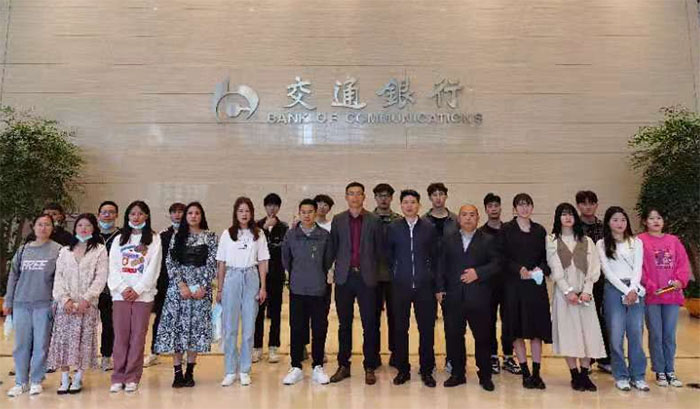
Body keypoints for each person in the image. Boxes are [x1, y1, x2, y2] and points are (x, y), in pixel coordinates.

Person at [154, 202, 218, 388]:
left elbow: (213, 263)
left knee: (194, 331)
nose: (193, 216)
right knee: (177, 331)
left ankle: (190, 371)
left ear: (202, 216)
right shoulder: (177, 236)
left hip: (200, 291)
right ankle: (177, 373)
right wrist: (181, 285)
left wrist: (203, 286)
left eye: (197, 213)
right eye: (190, 213)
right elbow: (170, 262)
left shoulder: (210, 237)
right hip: (178, 291)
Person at [438, 204, 500, 391]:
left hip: (479, 297)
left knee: (483, 337)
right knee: (454, 336)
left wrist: (478, 273)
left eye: (472, 215)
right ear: (458, 219)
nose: (468, 218)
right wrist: (439, 289)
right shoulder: (448, 240)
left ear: (478, 218)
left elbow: (497, 264)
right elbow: (440, 266)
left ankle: (485, 375)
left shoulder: (488, 240)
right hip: (453, 297)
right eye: (464, 215)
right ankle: (458, 374)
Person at [546, 203, 606, 392]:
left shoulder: (586, 241)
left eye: (571, 214)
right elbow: (555, 269)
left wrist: (587, 290)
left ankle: (584, 374)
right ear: (558, 218)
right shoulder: (552, 240)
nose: (567, 217)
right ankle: (574, 374)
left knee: (589, 335)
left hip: (586, 296)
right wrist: (568, 291)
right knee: (569, 335)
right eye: (563, 214)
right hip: (564, 296)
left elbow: (594, 268)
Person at [329, 182, 384, 385]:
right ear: (346, 197)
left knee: (370, 324)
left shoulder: (374, 220)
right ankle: (343, 365)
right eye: (351, 194)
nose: (354, 197)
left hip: (366, 278)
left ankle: (370, 366)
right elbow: (333, 247)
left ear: (364, 197)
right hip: (344, 278)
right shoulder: (338, 220)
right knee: (344, 324)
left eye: (358, 194)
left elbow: (380, 250)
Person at [47, 213, 109, 394]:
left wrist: (86, 299)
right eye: (80, 225)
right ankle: (64, 377)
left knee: (83, 342)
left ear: (94, 228)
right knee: (64, 342)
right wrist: (64, 299)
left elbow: (100, 278)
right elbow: (58, 278)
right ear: (75, 228)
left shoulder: (99, 250)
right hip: (65, 306)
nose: (84, 228)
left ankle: (78, 377)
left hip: (86, 306)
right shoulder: (65, 251)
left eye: (88, 225)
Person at [4, 214, 62, 397]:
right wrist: (8, 301)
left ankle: (36, 380)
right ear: (34, 227)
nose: (43, 228)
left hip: (44, 305)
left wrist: (57, 303)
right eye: (40, 224)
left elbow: (60, 279)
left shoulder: (58, 250)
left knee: (41, 344)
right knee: (21, 345)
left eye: (47, 225)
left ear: (52, 228)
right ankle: (21, 381)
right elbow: (13, 276)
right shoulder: (23, 250)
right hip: (21, 304)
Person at [107, 200, 162, 393]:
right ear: (127, 216)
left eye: (140, 213)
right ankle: (118, 376)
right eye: (132, 214)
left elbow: (154, 267)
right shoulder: (119, 239)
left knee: (138, 337)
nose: (136, 217)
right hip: (120, 295)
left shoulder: (154, 239)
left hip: (143, 296)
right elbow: (113, 266)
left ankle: (132, 377)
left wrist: (138, 289)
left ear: (146, 216)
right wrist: (122, 288)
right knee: (121, 337)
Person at [386, 189, 438, 387]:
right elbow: (387, 255)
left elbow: (436, 256)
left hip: (425, 287)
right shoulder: (393, 228)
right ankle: (403, 370)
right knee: (400, 329)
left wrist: (432, 279)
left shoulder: (429, 227)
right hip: (400, 287)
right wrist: (396, 274)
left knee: (427, 329)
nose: (409, 205)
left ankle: (426, 370)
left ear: (419, 205)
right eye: (406, 202)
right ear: (401, 205)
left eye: (413, 202)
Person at [500, 193, 551, 390]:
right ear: (514, 209)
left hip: (535, 286)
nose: (524, 208)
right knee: (517, 330)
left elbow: (547, 258)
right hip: (514, 286)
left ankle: (537, 373)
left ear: (532, 207)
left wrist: (541, 269)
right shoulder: (506, 229)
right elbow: (501, 257)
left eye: (528, 204)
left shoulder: (539, 230)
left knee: (536, 331)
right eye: (520, 205)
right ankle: (525, 372)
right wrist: (517, 269)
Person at [216, 197, 270, 387]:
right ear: (235, 213)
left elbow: (262, 261)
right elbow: (221, 263)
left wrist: (263, 287)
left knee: (248, 328)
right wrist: (220, 288)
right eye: (240, 211)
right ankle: (231, 370)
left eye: (247, 211)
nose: (244, 214)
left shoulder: (258, 234)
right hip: (232, 277)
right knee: (230, 328)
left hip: (251, 277)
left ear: (252, 213)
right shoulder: (227, 234)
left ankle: (245, 369)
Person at [281, 199, 334, 385]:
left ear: (315, 213)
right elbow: (286, 259)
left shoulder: (324, 235)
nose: (307, 215)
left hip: (318, 289)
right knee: (296, 328)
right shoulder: (291, 235)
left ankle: (318, 365)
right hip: (297, 288)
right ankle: (295, 366)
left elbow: (328, 260)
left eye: (310, 211)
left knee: (319, 328)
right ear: (299, 213)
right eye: (303, 212)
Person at [596, 206, 648, 392]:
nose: (620, 223)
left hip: (634, 289)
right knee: (616, 335)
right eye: (615, 220)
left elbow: (638, 268)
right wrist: (626, 291)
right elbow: (607, 272)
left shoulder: (636, 242)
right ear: (608, 222)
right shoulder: (601, 244)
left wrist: (632, 289)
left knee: (636, 334)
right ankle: (621, 375)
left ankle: (638, 375)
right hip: (614, 289)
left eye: (623, 219)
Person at [639, 207, 690, 388]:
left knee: (669, 334)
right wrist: (650, 285)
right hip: (652, 296)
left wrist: (680, 281)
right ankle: (659, 370)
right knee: (655, 334)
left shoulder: (673, 241)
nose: (656, 221)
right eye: (651, 218)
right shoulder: (640, 241)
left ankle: (670, 369)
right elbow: (638, 267)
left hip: (672, 296)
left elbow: (683, 263)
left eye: (659, 218)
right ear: (645, 221)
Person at [478, 193, 520, 375]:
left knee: (509, 320)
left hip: (508, 283)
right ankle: (492, 356)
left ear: (501, 208)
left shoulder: (509, 230)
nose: (493, 209)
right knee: (489, 321)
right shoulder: (480, 233)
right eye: (490, 206)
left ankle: (509, 356)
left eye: (496, 205)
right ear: (486, 209)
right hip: (488, 284)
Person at [421, 182, 458, 373]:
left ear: (446, 196)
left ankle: (452, 359)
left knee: (451, 322)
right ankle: (428, 362)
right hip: (428, 275)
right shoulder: (422, 221)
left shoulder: (456, 220)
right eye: (434, 194)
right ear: (430, 198)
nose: (438, 198)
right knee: (427, 322)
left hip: (450, 276)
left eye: (441, 194)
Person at [145, 202, 185, 368]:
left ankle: (180, 353)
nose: (177, 215)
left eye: (180, 212)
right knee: (160, 318)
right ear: (170, 215)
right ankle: (154, 352)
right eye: (174, 212)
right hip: (165, 284)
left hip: (185, 285)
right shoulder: (162, 236)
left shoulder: (192, 234)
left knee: (182, 320)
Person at [575, 190, 611, 373]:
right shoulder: (573, 227)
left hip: (603, 280)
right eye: (583, 203)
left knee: (605, 318)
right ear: (578, 206)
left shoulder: (605, 227)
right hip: (582, 281)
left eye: (591, 203)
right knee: (585, 321)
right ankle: (586, 360)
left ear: (597, 205)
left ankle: (605, 358)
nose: (588, 207)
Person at [253, 193, 288, 364]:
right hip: (258, 277)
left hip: (276, 275)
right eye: (269, 205)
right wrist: (264, 229)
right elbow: (254, 249)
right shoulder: (256, 227)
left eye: (275, 205)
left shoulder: (284, 227)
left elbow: (283, 251)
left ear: (279, 208)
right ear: (265, 207)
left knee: (275, 313)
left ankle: (273, 347)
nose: (272, 208)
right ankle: (257, 348)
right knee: (257, 313)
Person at [372, 183, 402, 367]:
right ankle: (373, 354)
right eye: (380, 195)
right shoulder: (368, 219)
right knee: (372, 318)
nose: (383, 199)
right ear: (375, 198)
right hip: (373, 277)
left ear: (391, 198)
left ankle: (396, 353)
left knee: (396, 317)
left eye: (386, 196)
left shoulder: (399, 220)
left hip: (394, 277)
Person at [96, 201, 121, 371]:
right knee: (87, 324)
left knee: (109, 324)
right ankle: (85, 357)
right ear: (99, 215)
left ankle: (106, 356)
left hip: (111, 288)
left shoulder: (122, 236)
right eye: (104, 212)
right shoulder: (91, 235)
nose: (107, 215)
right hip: (91, 287)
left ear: (116, 215)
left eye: (111, 212)